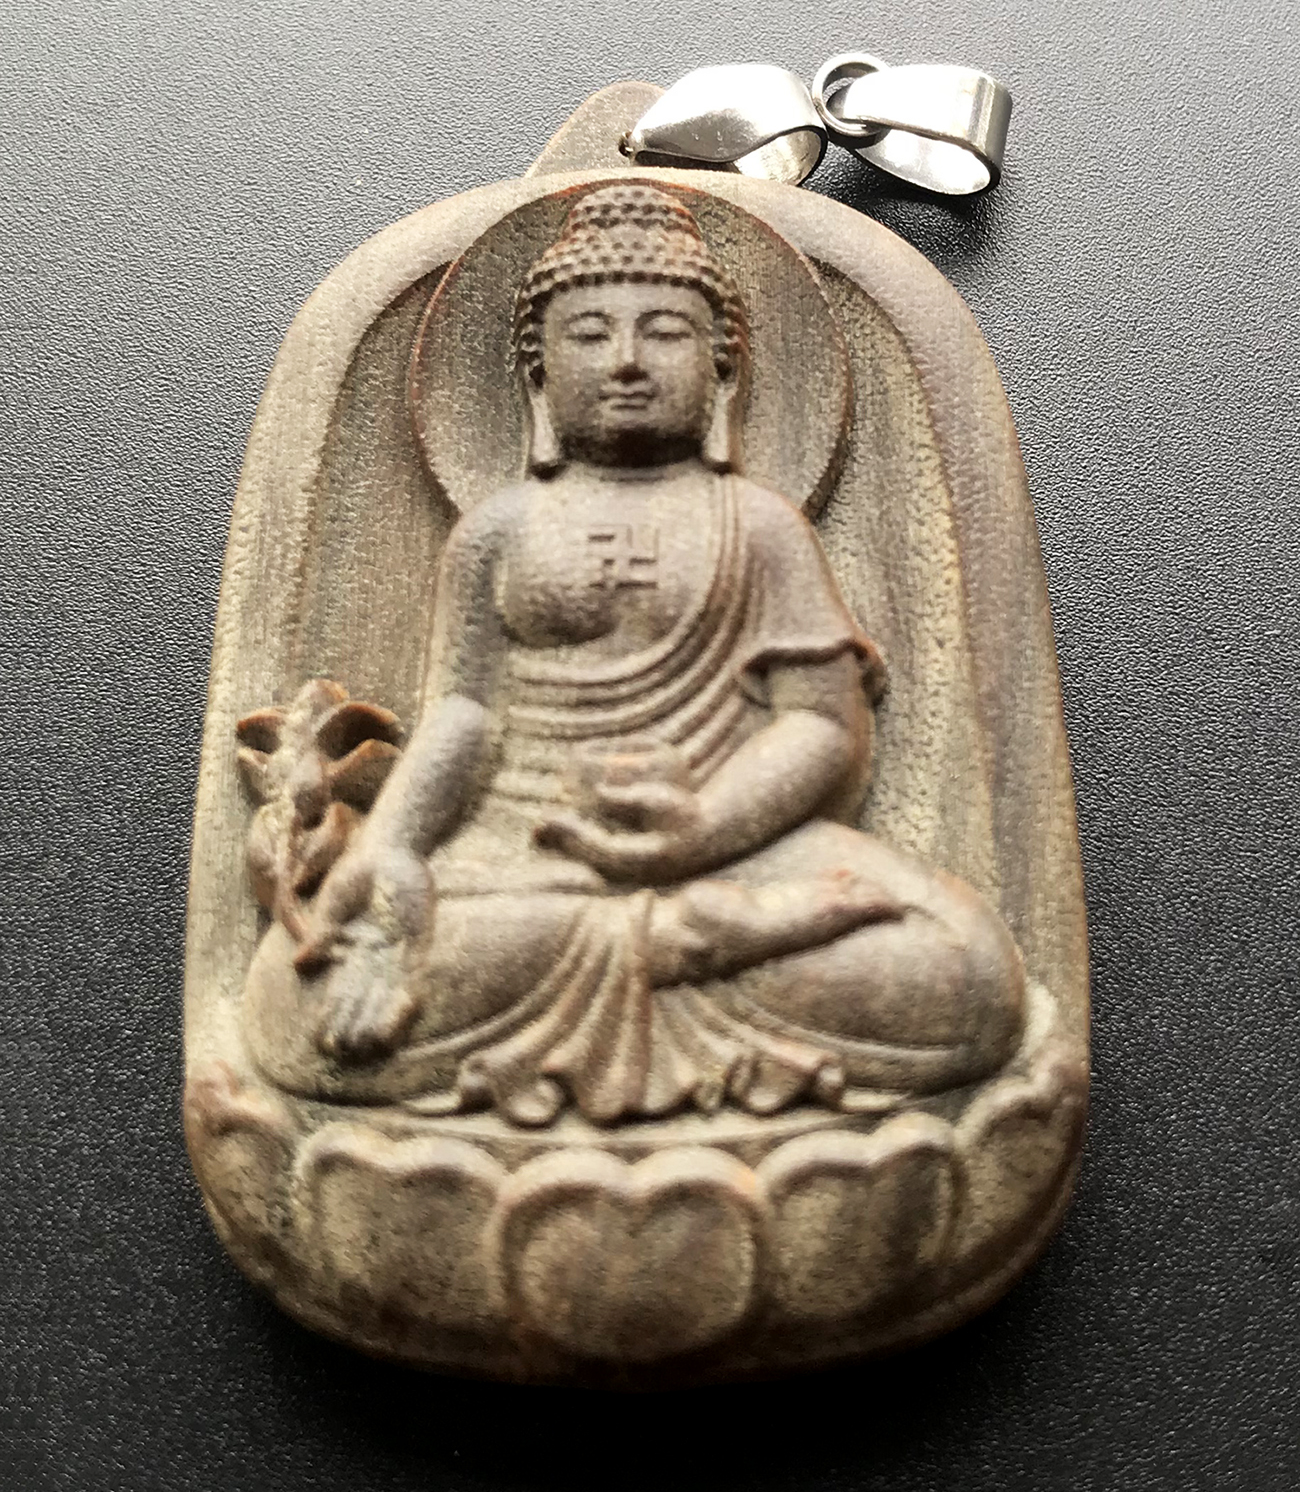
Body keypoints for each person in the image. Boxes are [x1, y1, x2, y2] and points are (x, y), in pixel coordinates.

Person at [247, 182, 1025, 1125]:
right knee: (292, 998)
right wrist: (392, 847)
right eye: (588, 335)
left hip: (742, 851)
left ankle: (678, 947)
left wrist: (707, 827)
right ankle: (687, 949)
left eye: (665, 333)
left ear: (723, 373)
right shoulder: (497, 532)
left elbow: (825, 728)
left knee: (970, 977)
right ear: (537, 377)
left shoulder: (762, 529)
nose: (625, 360)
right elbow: (463, 714)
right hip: (524, 854)